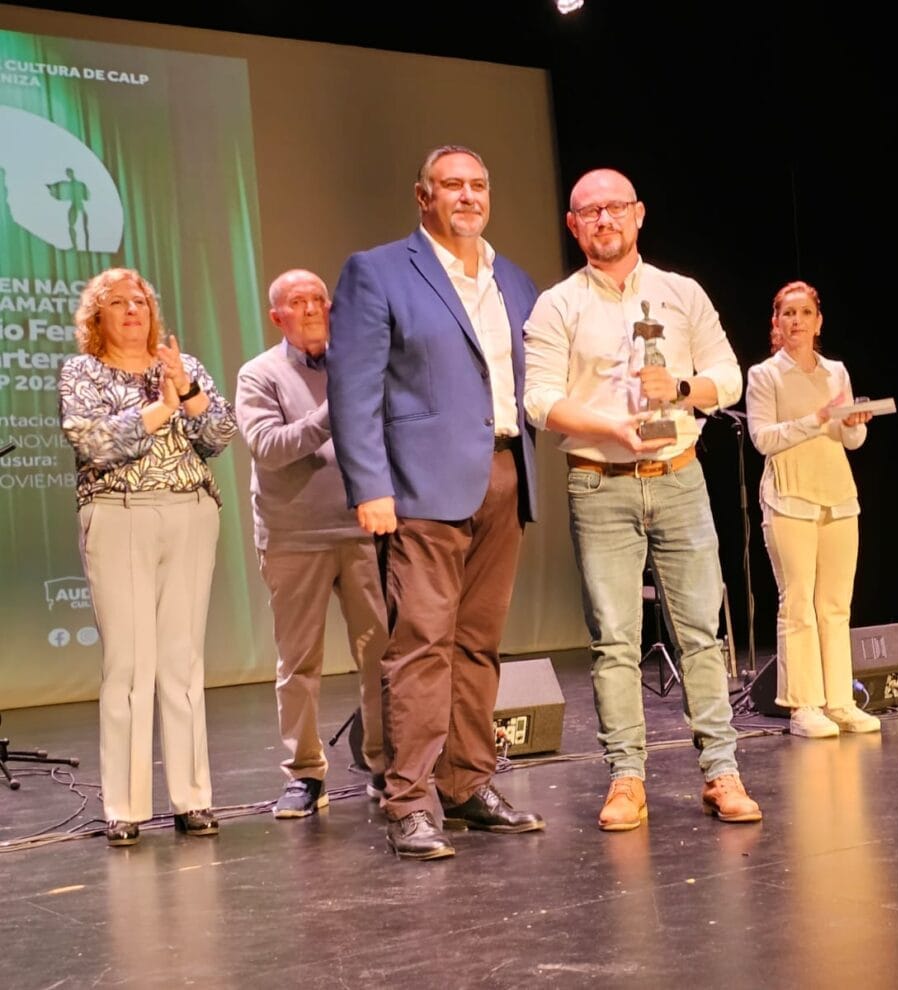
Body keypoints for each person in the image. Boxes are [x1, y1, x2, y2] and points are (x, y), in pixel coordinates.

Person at [523, 167, 762, 831]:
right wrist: (609, 426)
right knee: (615, 642)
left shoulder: (680, 293)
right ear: (573, 226)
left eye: (615, 208)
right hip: (599, 484)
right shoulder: (558, 304)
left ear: (638, 214)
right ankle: (627, 779)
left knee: (702, 637)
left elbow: (729, 378)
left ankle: (722, 772)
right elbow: (539, 399)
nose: (604, 220)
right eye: (589, 212)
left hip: (679, 476)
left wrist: (682, 390)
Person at [327, 145, 544, 860]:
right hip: (419, 487)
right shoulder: (379, 270)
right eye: (451, 185)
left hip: (505, 475)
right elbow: (354, 388)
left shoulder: (513, 278)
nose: (467, 196)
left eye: (478, 184)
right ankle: (409, 798)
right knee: (421, 643)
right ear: (422, 196)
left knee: (478, 644)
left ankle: (466, 783)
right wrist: (371, 487)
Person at [57, 267, 236, 846]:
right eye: (118, 302)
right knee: (129, 665)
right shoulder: (82, 371)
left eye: (141, 301)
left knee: (181, 662)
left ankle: (193, 799)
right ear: (97, 316)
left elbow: (220, 437)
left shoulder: (183, 367)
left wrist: (184, 389)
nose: (134, 310)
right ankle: (126, 807)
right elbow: (93, 442)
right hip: (121, 511)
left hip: (190, 511)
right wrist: (160, 410)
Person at [235, 269, 388, 819]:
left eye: (318, 299)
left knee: (381, 656)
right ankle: (304, 774)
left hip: (364, 531)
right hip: (294, 538)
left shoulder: (360, 364)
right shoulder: (259, 374)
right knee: (299, 664)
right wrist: (334, 410)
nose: (311, 308)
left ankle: (383, 764)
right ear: (277, 317)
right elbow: (269, 447)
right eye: (297, 302)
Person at [744, 280, 881, 739]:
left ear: (818, 321)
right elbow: (763, 438)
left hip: (838, 494)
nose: (797, 321)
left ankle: (840, 700)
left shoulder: (835, 372)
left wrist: (853, 424)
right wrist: (817, 419)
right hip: (789, 498)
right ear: (776, 324)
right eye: (788, 314)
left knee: (836, 605)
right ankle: (804, 705)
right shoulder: (765, 375)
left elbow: (850, 440)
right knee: (798, 602)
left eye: (805, 313)